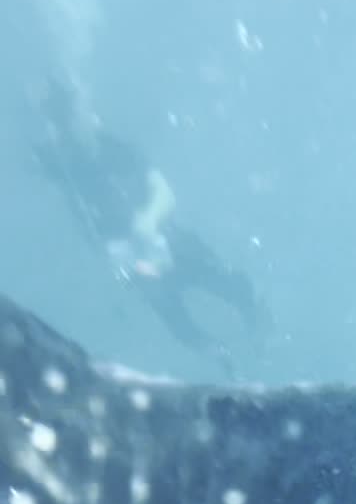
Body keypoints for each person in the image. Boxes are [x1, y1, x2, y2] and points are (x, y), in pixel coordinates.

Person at [29, 77, 269, 362]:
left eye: (82, 116)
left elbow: (164, 193)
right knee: (180, 325)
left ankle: (261, 336)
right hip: (134, 259)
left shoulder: (116, 148)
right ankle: (224, 362)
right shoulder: (63, 163)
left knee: (230, 284)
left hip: (169, 242)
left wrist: (148, 221)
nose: (88, 121)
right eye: (73, 120)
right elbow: (34, 157)